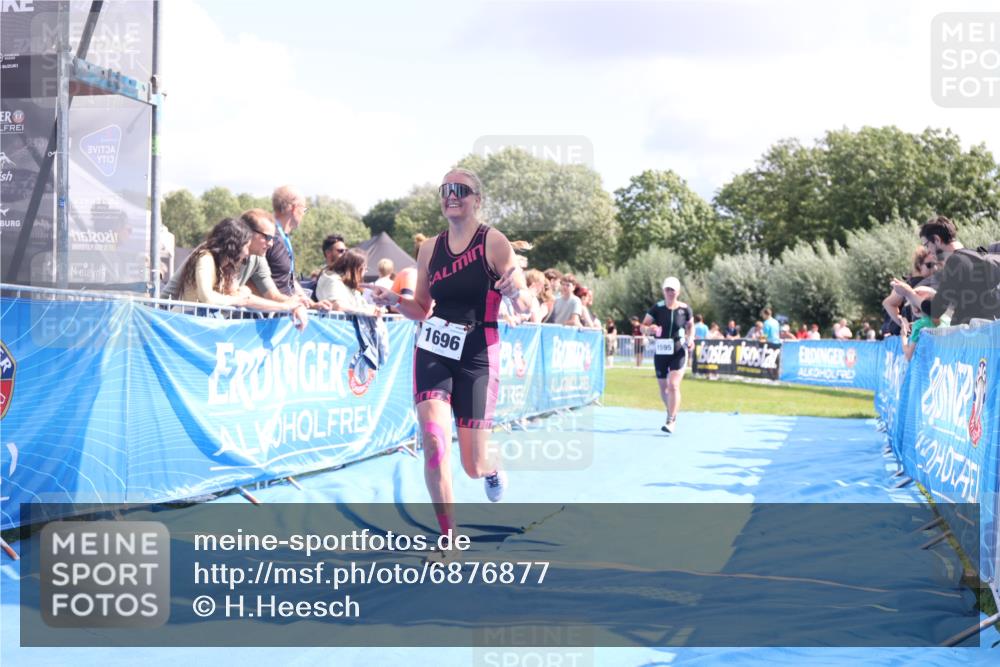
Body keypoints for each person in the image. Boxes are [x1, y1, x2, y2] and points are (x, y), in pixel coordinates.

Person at [366, 168, 531, 553]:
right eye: (446, 189)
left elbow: (522, 297)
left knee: (473, 464)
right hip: (434, 350)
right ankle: (449, 538)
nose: (451, 195)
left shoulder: (493, 242)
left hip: (478, 352)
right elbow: (422, 308)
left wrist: (514, 290)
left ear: (477, 199)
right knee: (435, 441)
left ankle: (491, 466)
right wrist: (393, 299)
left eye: (461, 190)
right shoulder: (428, 249)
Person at [168, 217, 308, 329]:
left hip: (202, 326)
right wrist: (239, 299)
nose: (247, 253)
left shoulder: (228, 267)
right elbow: (208, 297)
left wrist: (289, 306)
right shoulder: (205, 257)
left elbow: (245, 298)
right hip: (185, 324)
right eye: (245, 246)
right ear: (234, 245)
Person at [642, 276, 693, 434]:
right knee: (664, 389)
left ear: (678, 292)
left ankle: (671, 419)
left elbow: (691, 325)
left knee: (674, 385)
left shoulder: (685, 309)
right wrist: (649, 329)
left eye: (673, 289)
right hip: (661, 351)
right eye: (667, 289)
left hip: (678, 350)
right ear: (663, 291)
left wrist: (690, 339)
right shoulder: (657, 308)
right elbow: (643, 326)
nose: (670, 292)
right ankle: (672, 410)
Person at [267, 185, 329, 310]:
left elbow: (290, 279)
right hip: (267, 316)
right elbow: (257, 278)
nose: (304, 214)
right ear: (295, 208)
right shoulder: (268, 236)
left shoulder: (283, 237)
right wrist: (287, 301)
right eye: (304, 210)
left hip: (283, 313)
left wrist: (312, 304)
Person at [882, 246, 938, 338]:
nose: (934, 268)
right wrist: (904, 324)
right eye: (930, 265)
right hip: (916, 337)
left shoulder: (909, 284)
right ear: (919, 265)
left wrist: (903, 324)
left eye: (936, 264)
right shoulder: (910, 284)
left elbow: (888, 303)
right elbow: (888, 303)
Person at [316, 248, 380, 316]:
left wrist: (375, 309)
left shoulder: (349, 284)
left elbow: (360, 305)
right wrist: (368, 312)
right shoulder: (332, 279)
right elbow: (339, 306)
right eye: (365, 269)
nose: (364, 273)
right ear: (358, 269)